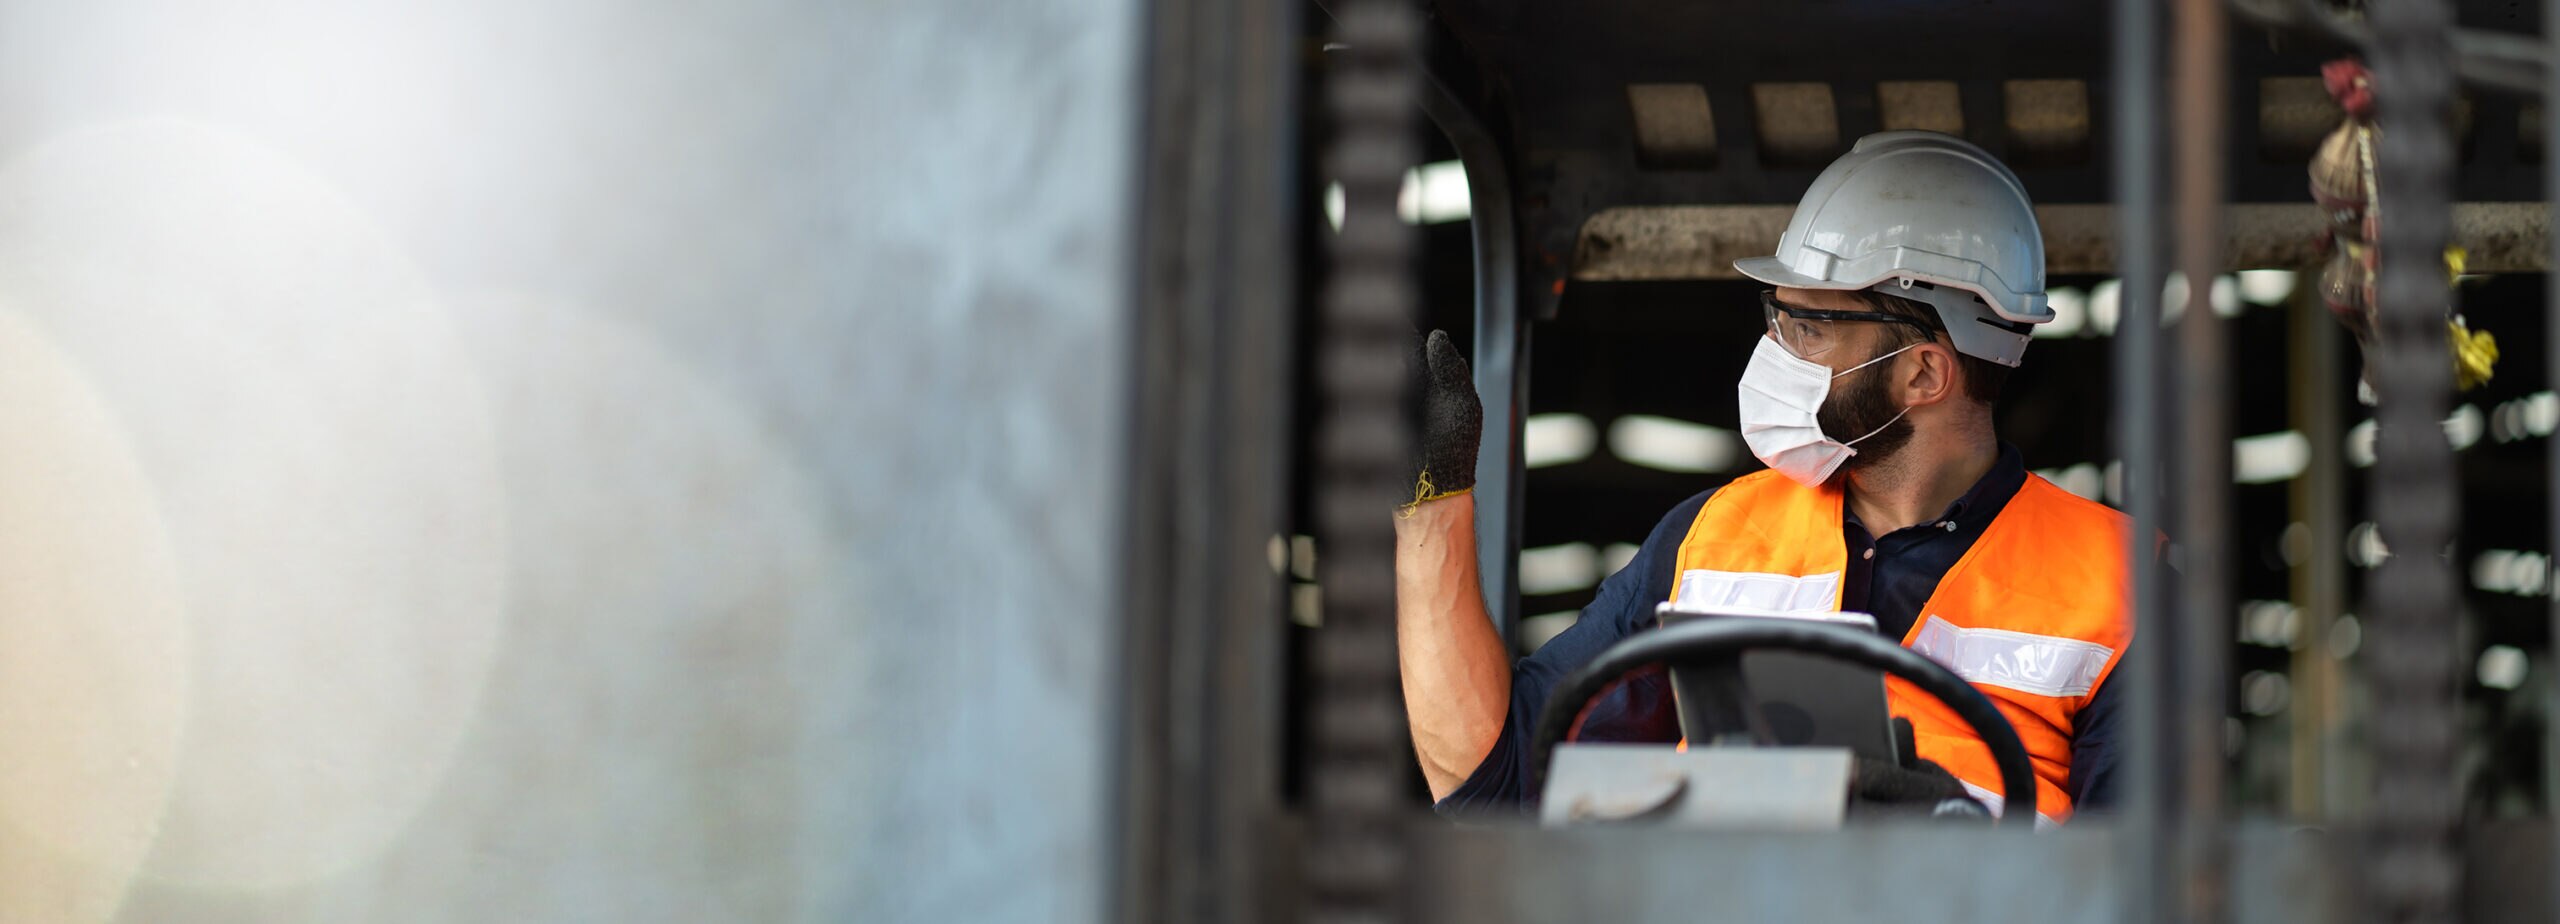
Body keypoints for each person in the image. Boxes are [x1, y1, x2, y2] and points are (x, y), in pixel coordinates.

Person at [1394, 131, 2130, 827]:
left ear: (1922, 373)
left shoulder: (2122, 583)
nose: (1774, 350)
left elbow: (2155, 883)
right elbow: (1499, 789)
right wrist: (1431, 497)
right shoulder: (1709, 540)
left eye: (1808, 327)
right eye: (1778, 318)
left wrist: (1959, 846)